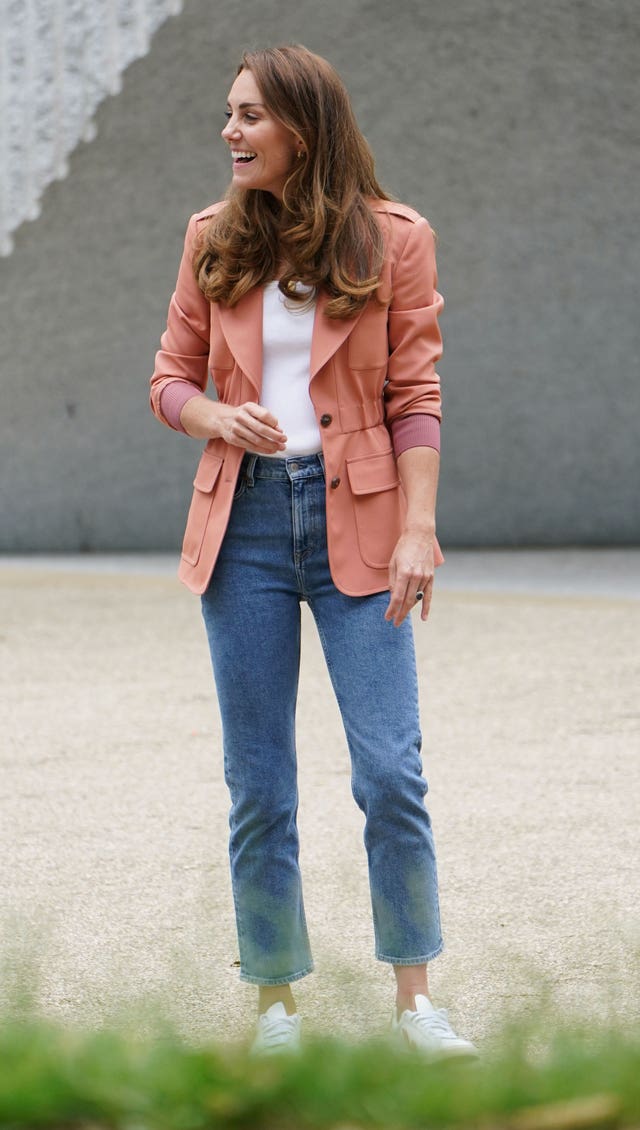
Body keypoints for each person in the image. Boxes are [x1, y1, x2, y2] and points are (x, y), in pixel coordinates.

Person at [150, 44, 475, 1057]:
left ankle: (415, 1000)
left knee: (389, 770)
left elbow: (414, 397)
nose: (230, 132)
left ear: (303, 125)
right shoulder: (212, 237)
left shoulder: (394, 240)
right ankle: (276, 1004)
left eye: (249, 116)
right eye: (228, 115)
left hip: (366, 519)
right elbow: (166, 380)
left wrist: (419, 524)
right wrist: (214, 416)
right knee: (259, 781)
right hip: (240, 520)